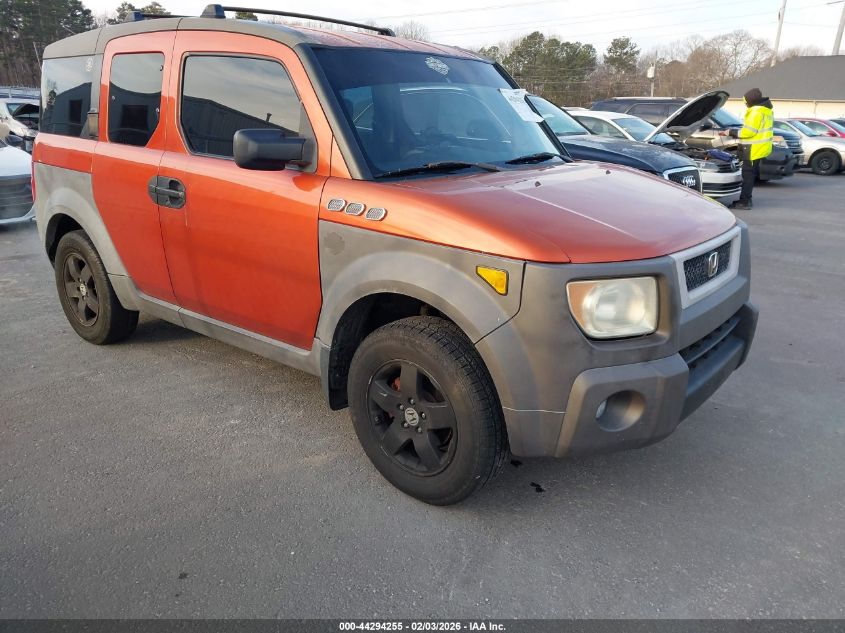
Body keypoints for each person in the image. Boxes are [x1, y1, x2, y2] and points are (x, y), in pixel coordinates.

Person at [722, 88, 774, 210]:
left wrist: (731, 132)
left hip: (752, 149)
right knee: (750, 175)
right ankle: (746, 199)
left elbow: (748, 132)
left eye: (745, 101)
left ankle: (745, 201)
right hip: (760, 148)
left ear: (751, 101)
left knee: (748, 175)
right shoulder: (766, 110)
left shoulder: (755, 112)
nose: (745, 104)